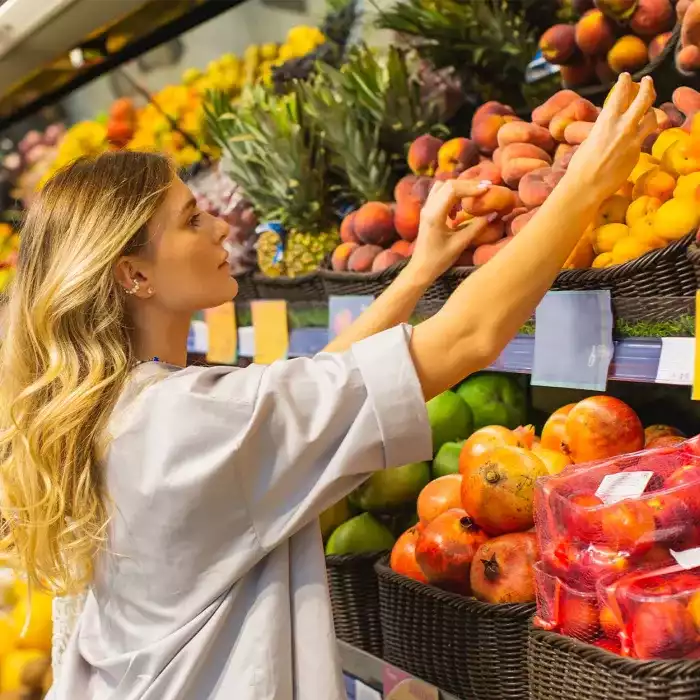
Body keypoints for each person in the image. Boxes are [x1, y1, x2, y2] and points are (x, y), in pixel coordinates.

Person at [0, 74, 655, 700]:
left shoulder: (131, 414)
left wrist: (418, 269)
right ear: (133, 276)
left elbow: (314, 392)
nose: (220, 228)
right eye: (191, 220)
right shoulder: (185, 426)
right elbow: (467, 338)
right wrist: (587, 185)